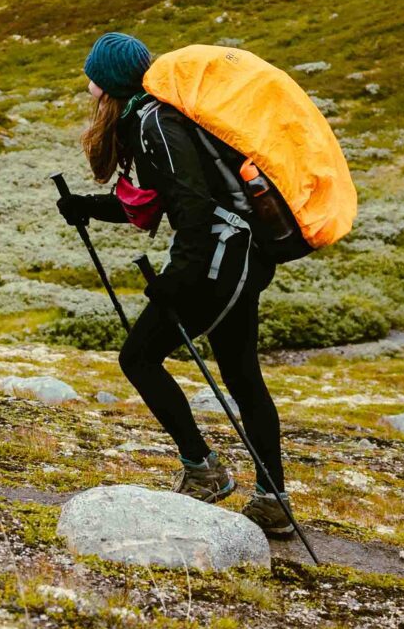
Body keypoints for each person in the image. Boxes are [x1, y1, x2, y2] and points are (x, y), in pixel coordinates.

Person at [57, 31, 295, 538]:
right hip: (234, 257)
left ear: (109, 83)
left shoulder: (152, 124)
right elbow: (157, 201)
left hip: (218, 260)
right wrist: (89, 208)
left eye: (92, 80)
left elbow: (194, 209)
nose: (89, 88)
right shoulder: (151, 119)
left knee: (139, 357)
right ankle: (271, 500)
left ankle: (204, 469)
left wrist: (176, 281)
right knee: (241, 374)